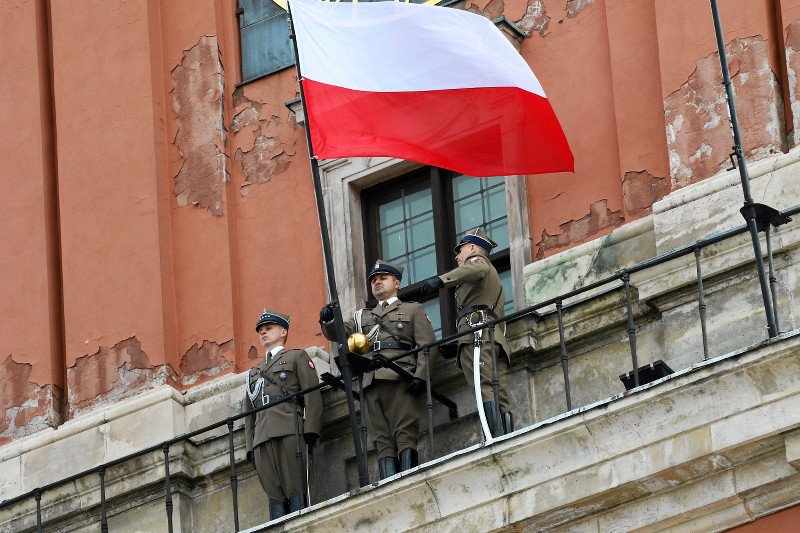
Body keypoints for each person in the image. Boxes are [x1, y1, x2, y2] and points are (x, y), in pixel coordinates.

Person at [319, 260, 436, 479]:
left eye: (382, 278)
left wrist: (421, 375)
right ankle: (388, 481)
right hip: (370, 379)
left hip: (399, 373)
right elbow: (338, 333)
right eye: (373, 280)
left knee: (405, 431)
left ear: (396, 282)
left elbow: (426, 345)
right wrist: (328, 319)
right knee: (380, 437)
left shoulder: (412, 309)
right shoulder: (362, 316)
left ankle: (407, 479)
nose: (377, 282)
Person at [420, 227, 513, 437]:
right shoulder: (487, 275)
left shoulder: (477, 262)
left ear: (472, 247)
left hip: (478, 335)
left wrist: (441, 280)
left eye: (459, 250)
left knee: (484, 387)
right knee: (499, 391)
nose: (456, 256)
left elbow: (473, 270)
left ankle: (495, 438)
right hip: (488, 335)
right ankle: (505, 436)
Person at [244, 308, 323, 520]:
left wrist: (311, 428)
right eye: (260, 329)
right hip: (261, 435)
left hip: (289, 427)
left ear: (283, 332)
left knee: (295, 485)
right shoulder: (254, 372)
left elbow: (312, 393)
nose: (263, 332)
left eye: (268, 328)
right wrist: (249, 446)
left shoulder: (297, 356)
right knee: (273, 492)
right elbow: (248, 413)